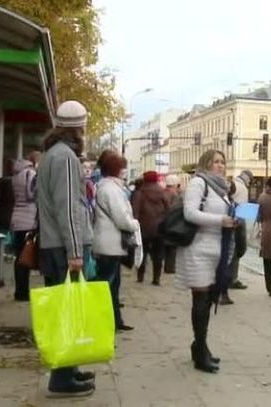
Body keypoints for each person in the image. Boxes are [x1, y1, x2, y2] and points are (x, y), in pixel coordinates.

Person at [36, 100, 95, 397]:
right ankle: (61, 378)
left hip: (54, 244)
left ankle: (69, 369)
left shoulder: (51, 155)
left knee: (66, 308)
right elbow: (68, 207)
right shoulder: (66, 158)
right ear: (79, 126)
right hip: (63, 246)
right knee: (66, 312)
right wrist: (75, 250)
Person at [176, 149, 236, 373]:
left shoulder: (222, 189)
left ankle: (200, 345)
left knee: (210, 298)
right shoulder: (198, 183)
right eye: (215, 162)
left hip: (217, 249)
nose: (220, 165)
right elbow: (190, 213)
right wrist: (221, 220)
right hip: (198, 248)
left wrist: (234, 219)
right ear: (205, 163)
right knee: (201, 300)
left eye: (222, 161)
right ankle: (200, 351)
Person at [93, 152, 139, 332]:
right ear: (116, 169)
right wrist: (134, 224)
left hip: (109, 242)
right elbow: (121, 218)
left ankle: (115, 320)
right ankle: (106, 322)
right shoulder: (110, 189)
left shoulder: (108, 187)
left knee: (113, 283)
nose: (125, 171)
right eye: (122, 167)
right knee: (107, 284)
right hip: (109, 243)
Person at [132, 171, 170, 285]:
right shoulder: (162, 192)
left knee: (142, 253)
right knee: (158, 254)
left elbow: (135, 211)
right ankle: (156, 278)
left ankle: (140, 276)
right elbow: (168, 208)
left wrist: (135, 225)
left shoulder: (140, 193)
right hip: (159, 228)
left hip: (143, 228)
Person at [10, 158, 37, 302]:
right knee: (26, 257)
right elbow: (31, 194)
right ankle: (23, 292)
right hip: (28, 220)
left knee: (19, 257)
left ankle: (19, 291)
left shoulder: (16, 175)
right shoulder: (30, 174)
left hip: (17, 219)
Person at [229, 169, 253, 290]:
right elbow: (242, 210)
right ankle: (232, 279)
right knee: (237, 251)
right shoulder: (242, 188)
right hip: (238, 222)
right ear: (247, 178)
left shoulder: (234, 184)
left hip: (230, 220)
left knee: (231, 251)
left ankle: (229, 278)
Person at [163, 174, 182, 274]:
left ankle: (167, 266)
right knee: (172, 246)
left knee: (167, 246)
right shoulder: (174, 194)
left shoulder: (163, 192)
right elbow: (175, 209)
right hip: (171, 222)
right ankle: (170, 267)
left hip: (163, 222)